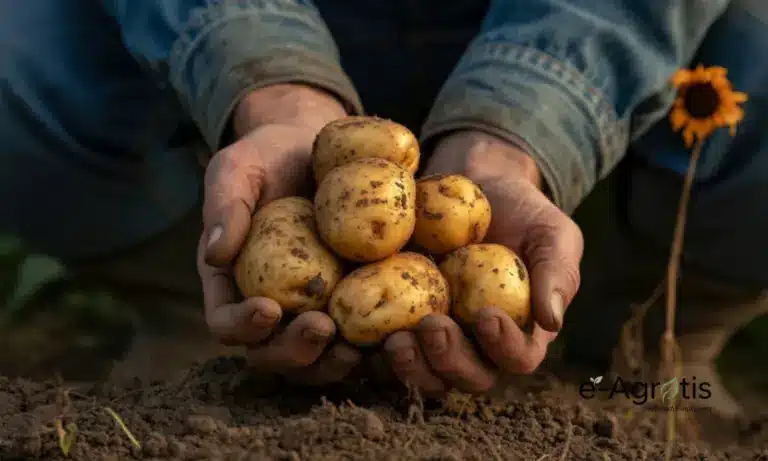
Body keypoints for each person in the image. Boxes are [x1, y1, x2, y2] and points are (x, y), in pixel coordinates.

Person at [1, 0, 766, 418]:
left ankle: (655, 334)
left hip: (568, 30)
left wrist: (516, 130)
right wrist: (271, 88)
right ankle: (190, 302)